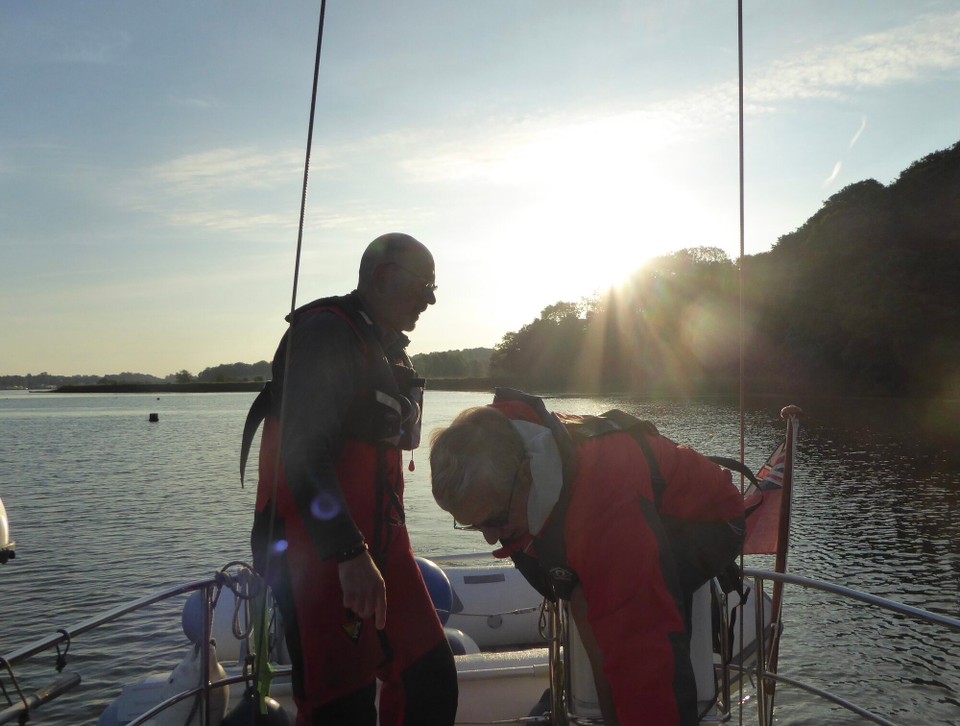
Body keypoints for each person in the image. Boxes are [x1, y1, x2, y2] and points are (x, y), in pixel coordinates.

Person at [429, 388, 745, 725]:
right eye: (474, 526)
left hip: (706, 522)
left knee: (640, 639)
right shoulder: (504, 452)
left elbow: (643, 656)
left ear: (525, 478)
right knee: (584, 600)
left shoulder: (604, 511)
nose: (490, 538)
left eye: (493, 522)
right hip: (597, 518)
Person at [243, 233, 458, 725]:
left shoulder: (384, 347)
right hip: (318, 555)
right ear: (383, 277)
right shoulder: (325, 334)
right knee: (341, 705)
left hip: (381, 548)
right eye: (424, 284)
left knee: (428, 676)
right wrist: (347, 551)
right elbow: (301, 451)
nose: (431, 298)